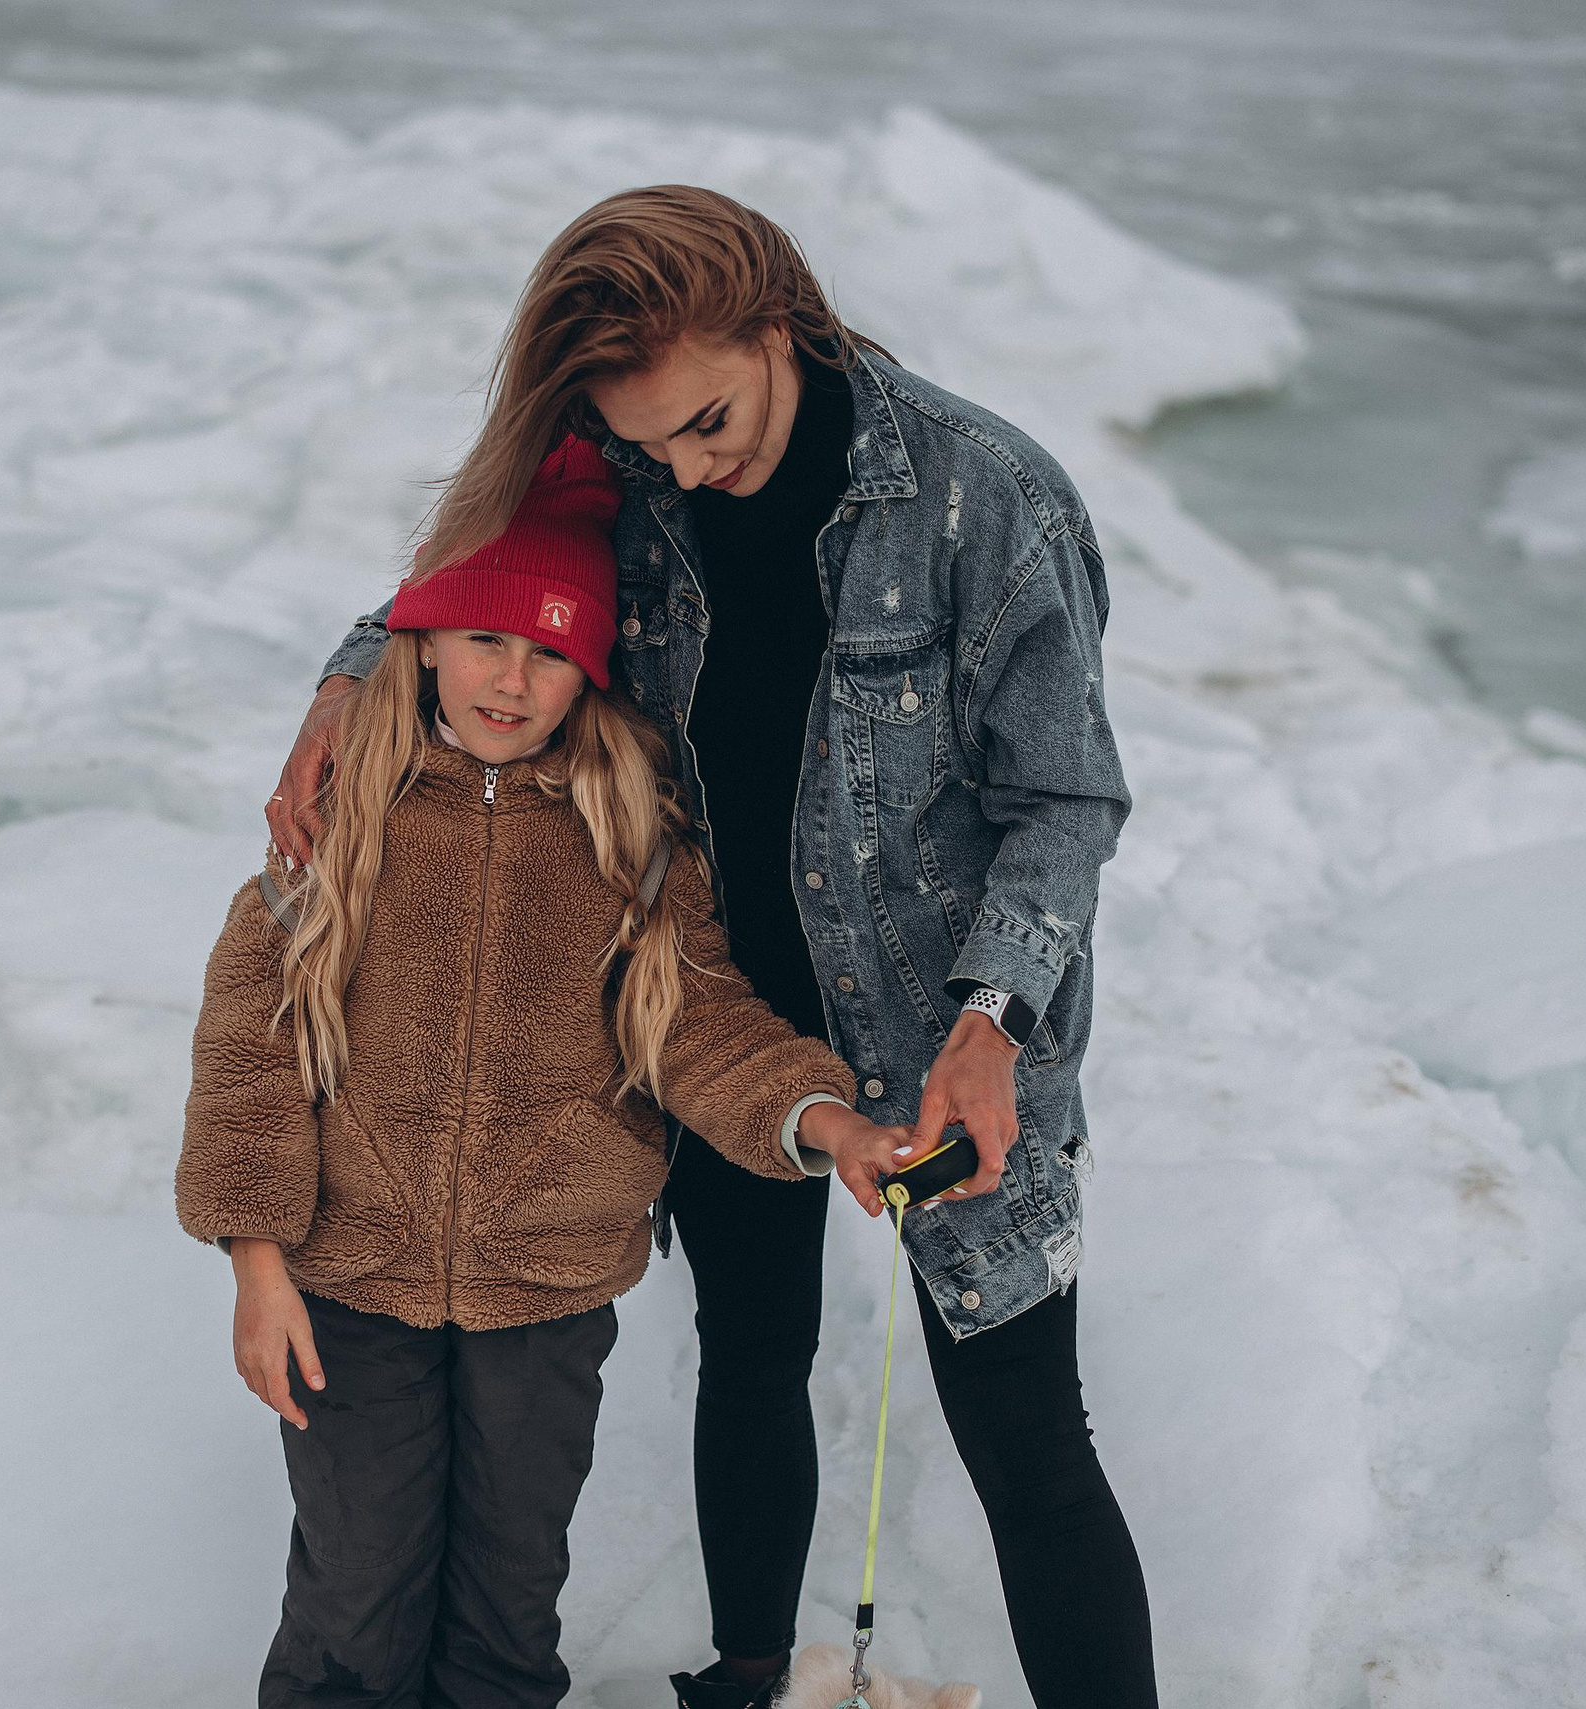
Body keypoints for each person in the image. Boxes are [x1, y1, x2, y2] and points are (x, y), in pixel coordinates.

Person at [270, 187, 1156, 1708]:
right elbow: (473, 574)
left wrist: (991, 1021)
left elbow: (1066, 800)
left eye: (707, 424)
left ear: (779, 321)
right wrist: (351, 675)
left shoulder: (988, 493)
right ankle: (746, 1683)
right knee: (749, 1351)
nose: (684, 470)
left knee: (1022, 1427)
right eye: (647, 444)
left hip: (955, 1027)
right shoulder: (622, 465)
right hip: (715, 1013)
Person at [179, 437, 905, 1708]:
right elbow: (252, 1053)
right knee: (358, 1594)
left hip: (548, 1286)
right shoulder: (338, 823)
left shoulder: (631, 840)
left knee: (507, 1603)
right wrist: (257, 1261)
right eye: (484, 640)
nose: (513, 680)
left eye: (553, 652)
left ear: (595, 670)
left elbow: (701, 1025)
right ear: (419, 641)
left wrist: (824, 1118)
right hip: (351, 1279)